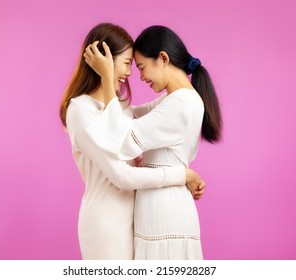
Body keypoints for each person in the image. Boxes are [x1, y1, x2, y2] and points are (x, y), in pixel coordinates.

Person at [59, 23, 205, 260]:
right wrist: (183, 175)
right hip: (107, 224)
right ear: (104, 61)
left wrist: (181, 79)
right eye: (127, 64)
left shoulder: (119, 110)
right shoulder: (81, 110)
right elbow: (122, 176)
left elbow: (170, 106)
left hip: (137, 222)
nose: (130, 74)